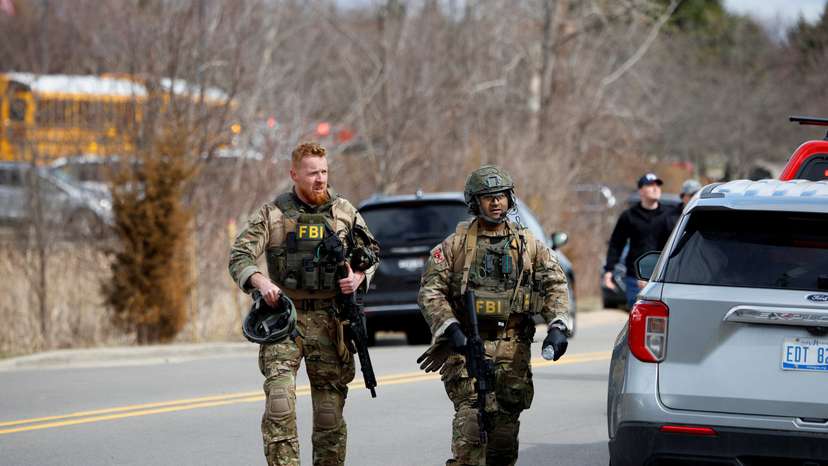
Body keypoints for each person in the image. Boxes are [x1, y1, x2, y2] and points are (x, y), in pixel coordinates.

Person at [228, 142, 379, 466]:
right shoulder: (273, 214)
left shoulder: (343, 212)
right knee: (279, 403)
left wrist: (358, 277)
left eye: (324, 171)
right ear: (294, 174)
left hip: (330, 321)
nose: (320, 179)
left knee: (328, 414)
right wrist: (261, 282)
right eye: (312, 173)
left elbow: (372, 253)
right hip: (285, 318)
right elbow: (240, 256)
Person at [416, 165, 572, 466]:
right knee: (471, 429)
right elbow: (430, 291)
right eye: (488, 197)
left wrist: (558, 325)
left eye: (500, 196)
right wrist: (450, 328)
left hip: (512, 351)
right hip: (467, 349)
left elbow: (555, 283)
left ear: (510, 199)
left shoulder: (528, 245)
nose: (496, 202)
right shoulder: (455, 246)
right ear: (475, 202)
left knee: (503, 442)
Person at [603, 172, 666, 309]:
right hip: (635, 279)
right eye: (650, 185)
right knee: (637, 315)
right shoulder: (629, 216)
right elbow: (616, 244)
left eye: (657, 185)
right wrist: (609, 270)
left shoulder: (669, 216)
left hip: (663, 278)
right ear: (641, 191)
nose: (655, 188)